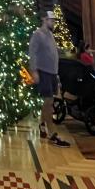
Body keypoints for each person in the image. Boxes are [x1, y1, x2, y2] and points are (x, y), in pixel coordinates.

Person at [29, 10, 69, 147]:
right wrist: (34, 71)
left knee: (48, 102)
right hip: (43, 72)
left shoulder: (51, 35)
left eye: (54, 20)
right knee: (49, 102)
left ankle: (41, 124)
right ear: (44, 20)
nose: (53, 22)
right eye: (51, 20)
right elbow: (32, 53)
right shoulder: (37, 35)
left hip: (52, 73)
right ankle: (52, 133)